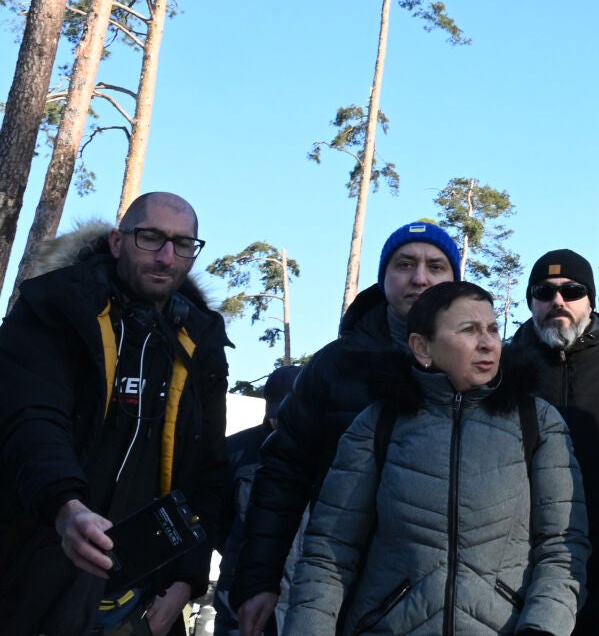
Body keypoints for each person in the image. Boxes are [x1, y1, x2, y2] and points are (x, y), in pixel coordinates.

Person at [283, 281, 589, 635]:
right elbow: (329, 552)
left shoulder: (537, 421)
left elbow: (561, 548)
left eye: (492, 329)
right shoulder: (378, 423)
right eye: (469, 330)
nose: (488, 343)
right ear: (422, 347)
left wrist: (542, 628)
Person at [0, 192, 231, 635]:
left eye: (183, 244)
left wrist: (186, 579)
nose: (166, 256)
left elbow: (208, 471)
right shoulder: (56, 307)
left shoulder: (201, 341)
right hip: (31, 565)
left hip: (142, 596)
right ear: (116, 242)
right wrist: (65, 506)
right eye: (151, 238)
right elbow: (32, 419)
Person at [233, 219, 461, 635]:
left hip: (454, 603)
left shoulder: (481, 369)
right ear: (383, 278)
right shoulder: (335, 366)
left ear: (455, 280)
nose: (420, 278)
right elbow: (283, 474)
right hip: (344, 592)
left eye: (436, 266)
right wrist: (260, 579)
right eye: (405, 264)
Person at [505, 249, 599, 635]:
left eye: (572, 290)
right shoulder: (502, 372)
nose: (558, 301)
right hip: (522, 576)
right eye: (544, 291)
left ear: (591, 301)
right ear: (531, 301)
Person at [214, 365, 301, 636]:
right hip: (239, 593)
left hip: (301, 596)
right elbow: (216, 522)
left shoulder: (330, 449)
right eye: (275, 414)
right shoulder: (234, 451)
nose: (279, 422)